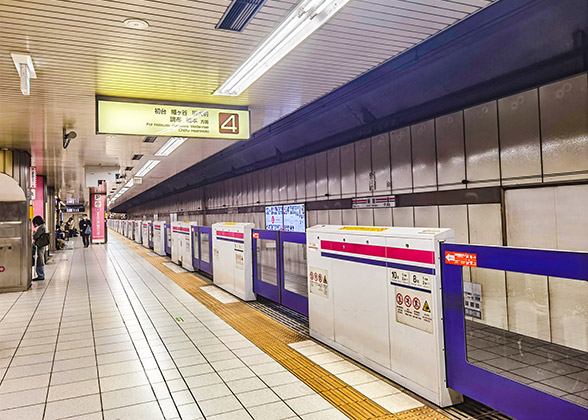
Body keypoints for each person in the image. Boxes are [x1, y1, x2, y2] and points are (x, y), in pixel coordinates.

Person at [32, 216, 48, 281]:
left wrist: (34, 234)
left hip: (40, 245)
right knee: (40, 258)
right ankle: (41, 274)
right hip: (42, 245)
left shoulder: (41, 227)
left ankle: (40, 275)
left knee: (40, 259)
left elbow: (35, 236)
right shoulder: (44, 226)